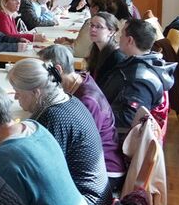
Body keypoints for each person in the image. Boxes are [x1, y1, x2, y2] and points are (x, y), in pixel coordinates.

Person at [7, 58, 111, 205]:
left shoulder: (52, 117)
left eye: (18, 92)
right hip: (97, 196)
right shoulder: (68, 100)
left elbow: (38, 175)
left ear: (36, 92)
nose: (15, 97)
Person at [39, 45, 126, 188]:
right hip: (97, 163)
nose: (41, 78)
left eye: (43, 72)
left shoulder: (87, 100)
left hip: (105, 172)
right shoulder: (81, 80)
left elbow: (84, 146)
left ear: (58, 70)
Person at [101, 19, 177, 132]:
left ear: (130, 40)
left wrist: (97, 114)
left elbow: (130, 119)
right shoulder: (145, 63)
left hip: (116, 137)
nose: (119, 37)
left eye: (122, 34)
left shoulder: (139, 80)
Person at [86, 11, 124, 86]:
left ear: (111, 32)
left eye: (98, 27)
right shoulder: (96, 50)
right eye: (92, 25)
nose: (93, 29)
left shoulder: (117, 57)